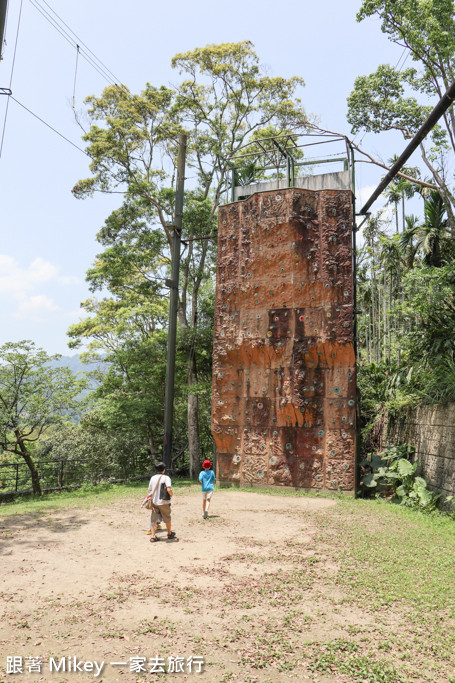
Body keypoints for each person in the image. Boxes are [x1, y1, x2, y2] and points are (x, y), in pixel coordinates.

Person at [147, 462, 176, 542]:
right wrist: (171, 494)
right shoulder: (166, 478)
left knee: (154, 519)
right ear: (164, 470)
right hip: (164, 502)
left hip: (155, 501)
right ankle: (169, 534)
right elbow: (169, 489)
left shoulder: (152, 478)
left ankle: (153, 536)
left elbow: (150, 489)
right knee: (167, 518)